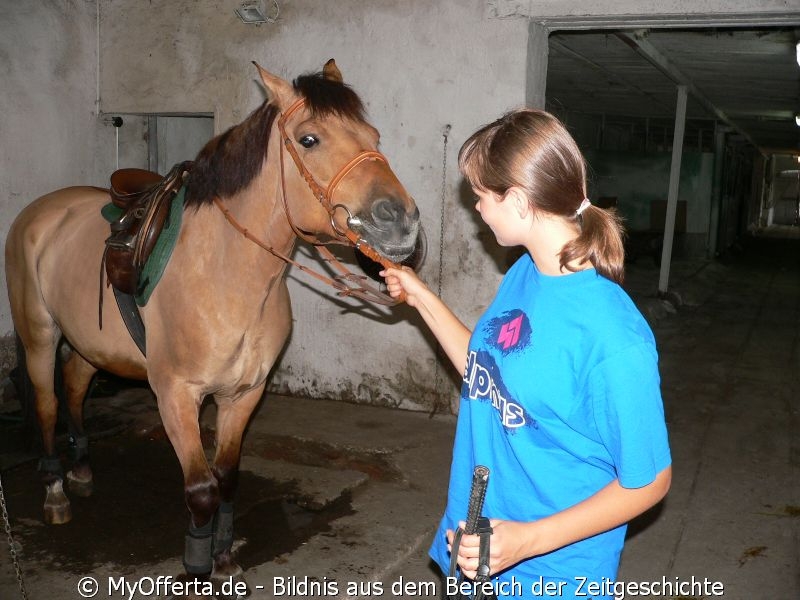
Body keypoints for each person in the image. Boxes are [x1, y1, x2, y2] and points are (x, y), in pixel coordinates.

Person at [381, 108, 671, 598]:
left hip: (552, 572)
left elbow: (650, 481)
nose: (477, 209)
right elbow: (485, 372)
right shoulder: (525, 274)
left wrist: (526, 542)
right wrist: (421, 298)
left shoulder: (613, 337)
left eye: (480, 197)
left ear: (516, 200)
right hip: (480, 539)